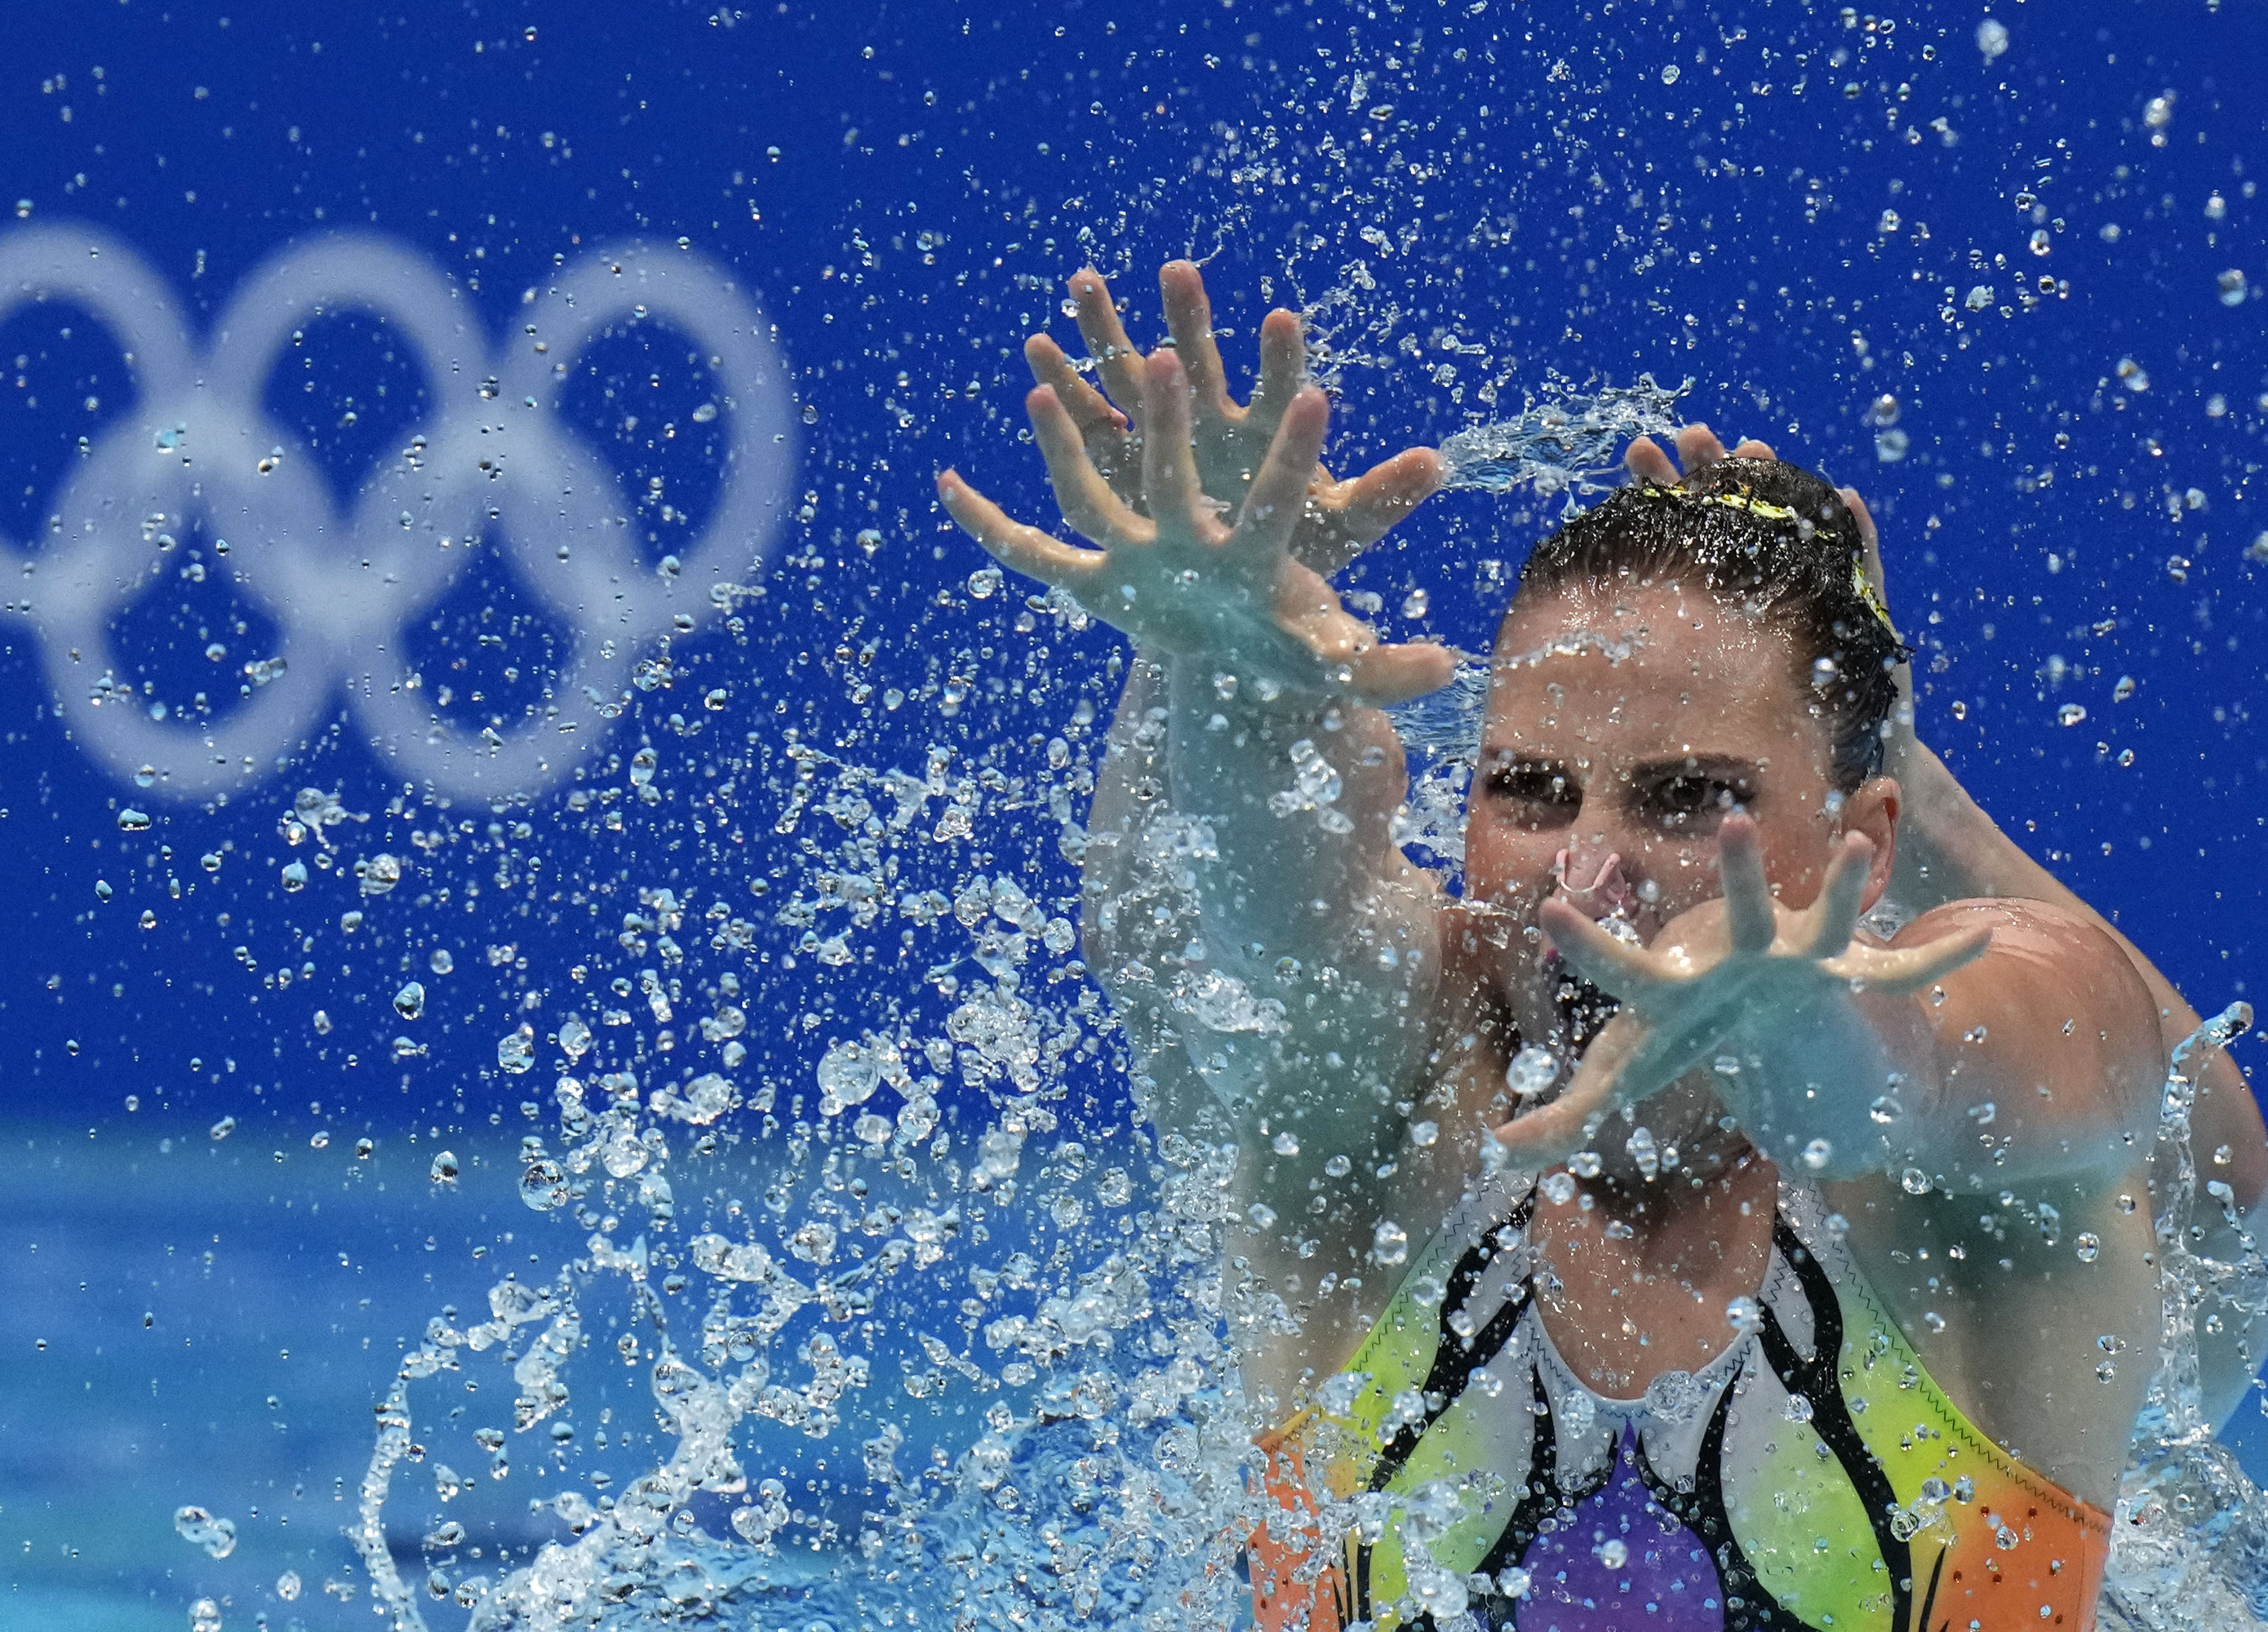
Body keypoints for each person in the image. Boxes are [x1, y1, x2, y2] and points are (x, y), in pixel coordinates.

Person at [936, 261, 2268, 1632]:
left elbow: (2120, 1127)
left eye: (1690, 799)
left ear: (1860, 839)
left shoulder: (1970, 1137)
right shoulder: (1392, 1102)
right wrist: (1226, 681)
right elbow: (1239, 937)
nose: (1589, 870)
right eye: (1527, 791)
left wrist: (1800, 1032)